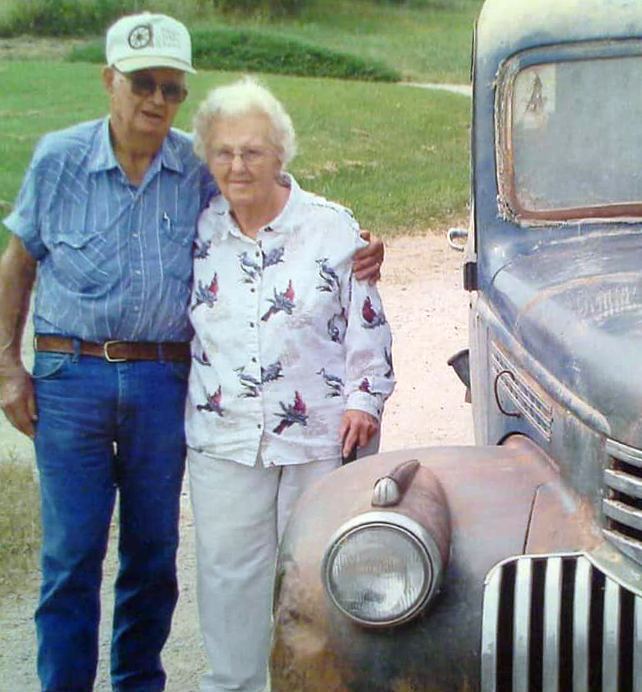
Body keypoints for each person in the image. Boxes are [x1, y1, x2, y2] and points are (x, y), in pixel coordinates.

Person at [0, 13, 384, 692]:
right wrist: (7, 366)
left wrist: (359, 261)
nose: (155, 99)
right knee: (74, 557)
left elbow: (335, 280)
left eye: (170, 88)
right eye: (141, 83)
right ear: (108, 80)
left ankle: (145, 683)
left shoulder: (243, 188)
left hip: (193, 393)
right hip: (92, 384)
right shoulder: (73, 164)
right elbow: (18, 262)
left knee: (164, 555)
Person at [184, 76, 395, 692]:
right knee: (229, 578)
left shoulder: (331, 228)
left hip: (321, 434)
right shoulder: (198, 233)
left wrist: (365, 399)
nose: (237, 165)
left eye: (252, 150)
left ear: (281, 154)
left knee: (316, 574)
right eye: (223, 152)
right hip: (225, 436)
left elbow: (367, 318)